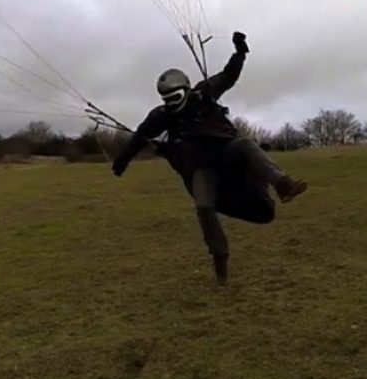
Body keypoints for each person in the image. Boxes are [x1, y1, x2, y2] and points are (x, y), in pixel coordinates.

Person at [111, 31, 308, 284]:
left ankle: (283, 184)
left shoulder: (204, 94)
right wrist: (122, 160)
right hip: (201, 169)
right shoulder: (161, 116)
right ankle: (220, 258)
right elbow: (139, 136)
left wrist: (240, 53)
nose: (171, 104)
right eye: (166, 100)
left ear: (186, 90)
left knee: (246, 144)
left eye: (175, 98)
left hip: (225, 154)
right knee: (204, 206)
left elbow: (228, 76)